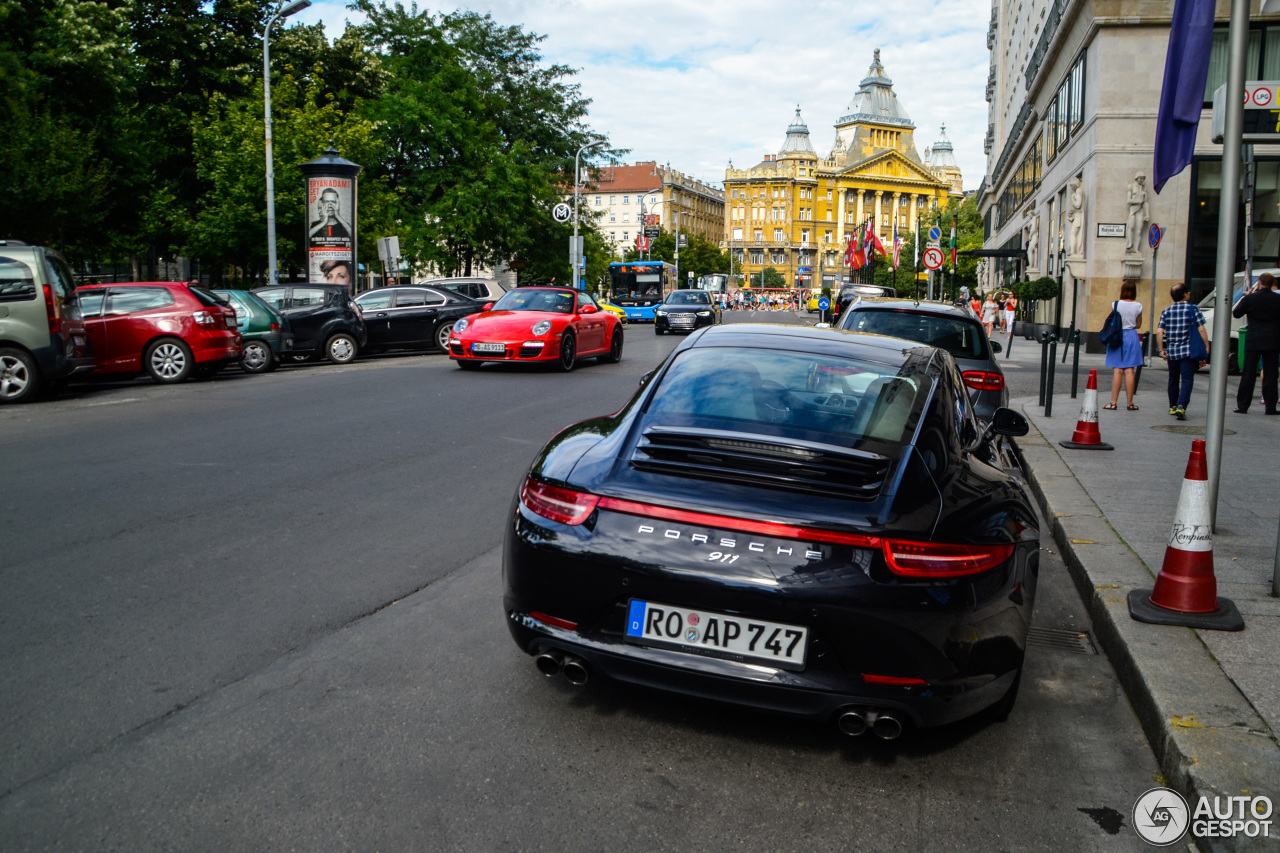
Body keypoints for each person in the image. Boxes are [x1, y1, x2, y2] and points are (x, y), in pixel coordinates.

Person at [1156, 282, 1209, 420]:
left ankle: (1173, 406)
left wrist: (1162, 349)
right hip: (1187, 351)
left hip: (1172, 352)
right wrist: (1206, 345)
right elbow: (1201, 329)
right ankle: (1181, 405)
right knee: (1187, 379)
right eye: (1188, 292)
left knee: (1173, 379)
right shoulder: (1193, 309)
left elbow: (1159, 332)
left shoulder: (1166, 311)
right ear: (1185, 294)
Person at [1232, 271, 1280, 414]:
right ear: (1272, 284)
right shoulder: (1278, 300)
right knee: (1271, 374)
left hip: (1254, 339)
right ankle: (1270, 407)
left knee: (1248, 373)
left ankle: (1243, 405)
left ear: (1259, 283)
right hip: (1272, 340)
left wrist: (1246, 297)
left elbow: (1236, 313)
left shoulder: (1251, 299)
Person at [1104, 281, 1144, 410]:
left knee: (1117, 370)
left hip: (1117, 335)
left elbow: (1111, 321)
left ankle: (1113, 402)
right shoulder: (1138, 306)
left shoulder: (1116, 304)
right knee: (1130, 370)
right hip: (1132, 336)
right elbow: (1138, 325)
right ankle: (1130, 403)